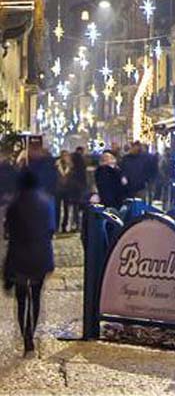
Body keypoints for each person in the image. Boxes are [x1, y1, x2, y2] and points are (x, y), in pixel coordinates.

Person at [3, 169, 55, 354]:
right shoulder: (47, 202)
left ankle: (25, 336)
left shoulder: (14, 205)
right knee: (36, 296)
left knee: (21, 298)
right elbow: (51, 229)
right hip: (40, 255)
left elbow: (8, 230)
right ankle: (30, 333)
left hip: (19, 256)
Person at [66, 148, 88, 230]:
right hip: (80, 191)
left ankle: (76, 224)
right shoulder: (81, 170)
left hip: (75, 191)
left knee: (75, 209)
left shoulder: (73, 172)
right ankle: (78, 224)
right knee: (79, 209)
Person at [56, 150, 72, 233]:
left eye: (66, 155)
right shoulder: (56, 165)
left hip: (67, 190)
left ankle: (64, 226)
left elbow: (72, 178)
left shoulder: (70, 166)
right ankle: (56, 226)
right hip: (57, 189)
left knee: (66, 209)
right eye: (64, 155)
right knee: (57, 209)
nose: (65, 157)